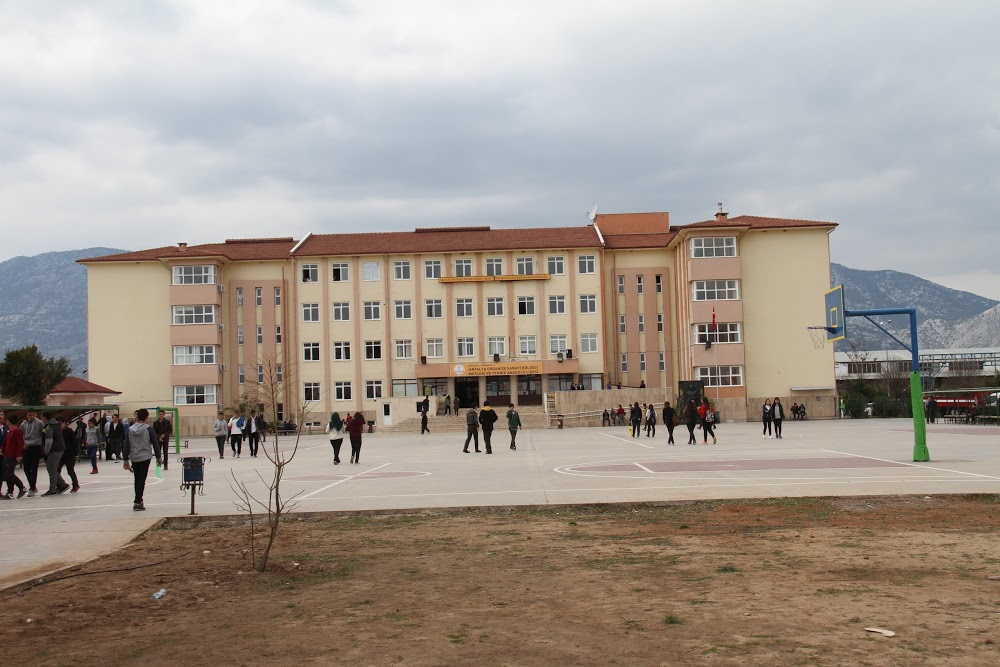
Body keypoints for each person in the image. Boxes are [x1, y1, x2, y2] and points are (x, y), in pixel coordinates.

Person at [123, 408, 161, 511]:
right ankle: (138, 501)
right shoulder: (149, 429)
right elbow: (155, 443)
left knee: (137, 479)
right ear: (146, 417)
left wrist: (125, 460)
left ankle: (138, 500)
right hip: (145, 456)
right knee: (142, 479)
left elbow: (126, 445)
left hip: (134, 457)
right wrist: (158, 457)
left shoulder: (130, 429)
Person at [41, 411, 69, 496]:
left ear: (44, 417)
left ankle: (52, 489)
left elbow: (49, 441)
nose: (41, 418)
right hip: (59, 448)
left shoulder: (49, 426)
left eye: (41, 416)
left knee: (51, 469)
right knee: (51, 468)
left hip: (55, 450)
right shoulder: (57, 424)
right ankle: (62, 484)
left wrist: (46, 451)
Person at [21, 410, 45, 496]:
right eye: (29, 415)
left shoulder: (40, 423)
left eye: (33, 415)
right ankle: (33, 486)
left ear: (36, 415)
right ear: (26, 415)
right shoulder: (23, 425)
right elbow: (22, 435)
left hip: (36, 446)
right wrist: (23, 444)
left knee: (33, 468)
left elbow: (44, 433)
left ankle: (32, 488)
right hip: (26, 447)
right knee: (26, 468)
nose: (31, 417)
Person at [2, 414, 26, 498]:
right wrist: (2, 449)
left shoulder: (17, 430)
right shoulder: (10, 431)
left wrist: (19, 454)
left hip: (13, 455)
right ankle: (10, 492)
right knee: (8, 473)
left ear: (9, 421)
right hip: (7, 455)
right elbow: (6, 443)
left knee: (8, 474)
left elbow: (20, 444)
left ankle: (21, 487)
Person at [59, 419, 81, 493]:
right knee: (56, 470)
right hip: (61, 454)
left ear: (64, 423)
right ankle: (60, 486)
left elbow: (75, 442)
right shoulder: (57, 432)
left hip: (70, 454)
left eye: (61, 423)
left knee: (70, 470)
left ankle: (76, 485)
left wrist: (75, 453)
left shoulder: (69, 431)